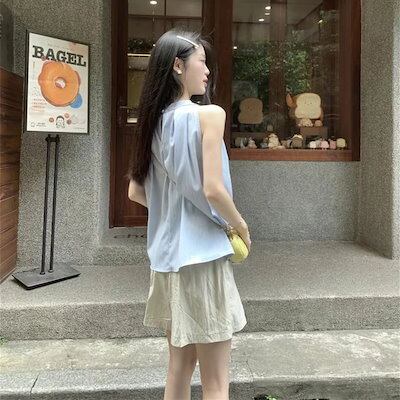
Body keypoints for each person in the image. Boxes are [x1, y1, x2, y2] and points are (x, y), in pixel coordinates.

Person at [126, 29, 251, 400]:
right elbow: (213, 189)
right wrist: (240, 226)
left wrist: (174, 212)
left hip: (166, 264)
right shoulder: (209, 115)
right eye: (202, 61)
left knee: (178, 370)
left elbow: (135, 192)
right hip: (203, 261)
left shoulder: (152, 122)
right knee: (216, 383)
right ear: (178, 66)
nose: (208, 71)